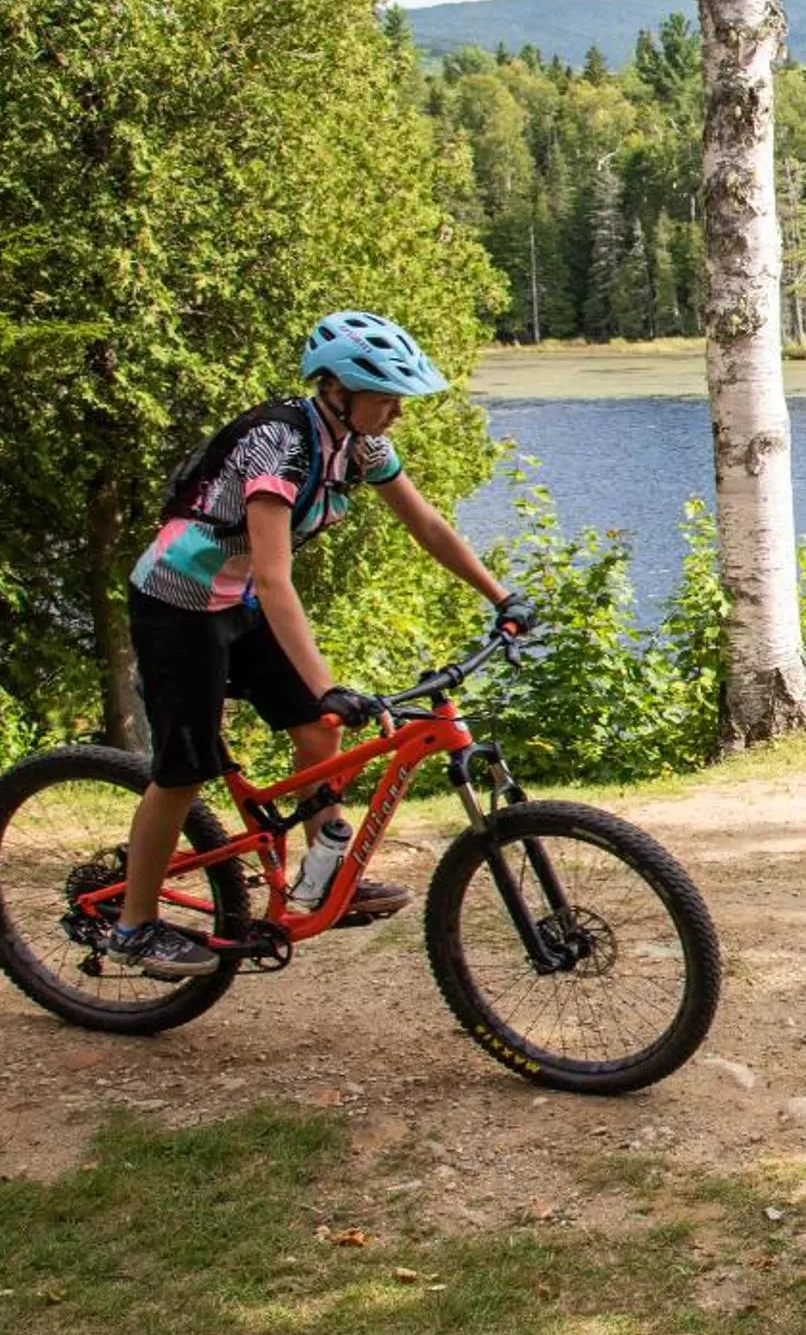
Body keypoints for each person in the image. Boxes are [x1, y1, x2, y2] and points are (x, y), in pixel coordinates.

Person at [99, 312, 531, 979]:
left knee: (320, 729)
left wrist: (500, 595)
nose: (395, 413)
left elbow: (426, 523)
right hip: (178, 603)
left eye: (399, 399)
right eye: (384, 397)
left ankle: (323, 876)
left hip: (239, 599)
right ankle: (132, 926)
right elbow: (276, 578)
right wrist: (327, 678)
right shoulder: (278, 445)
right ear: (336, 389)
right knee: (184, 768)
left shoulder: (360, 445)